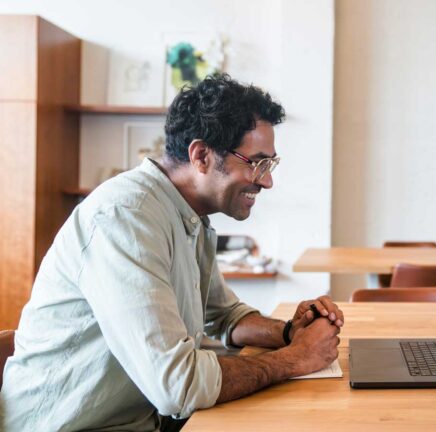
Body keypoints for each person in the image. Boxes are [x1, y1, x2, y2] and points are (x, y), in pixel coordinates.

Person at [1, 74, 343, 431]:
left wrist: (289, 332)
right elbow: (178, 386)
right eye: (256, 163)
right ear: (201, 156)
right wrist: (293, 359)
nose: (267, 180)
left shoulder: (188, 215)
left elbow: (225, 316)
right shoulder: (126, 217)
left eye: (270, 164)